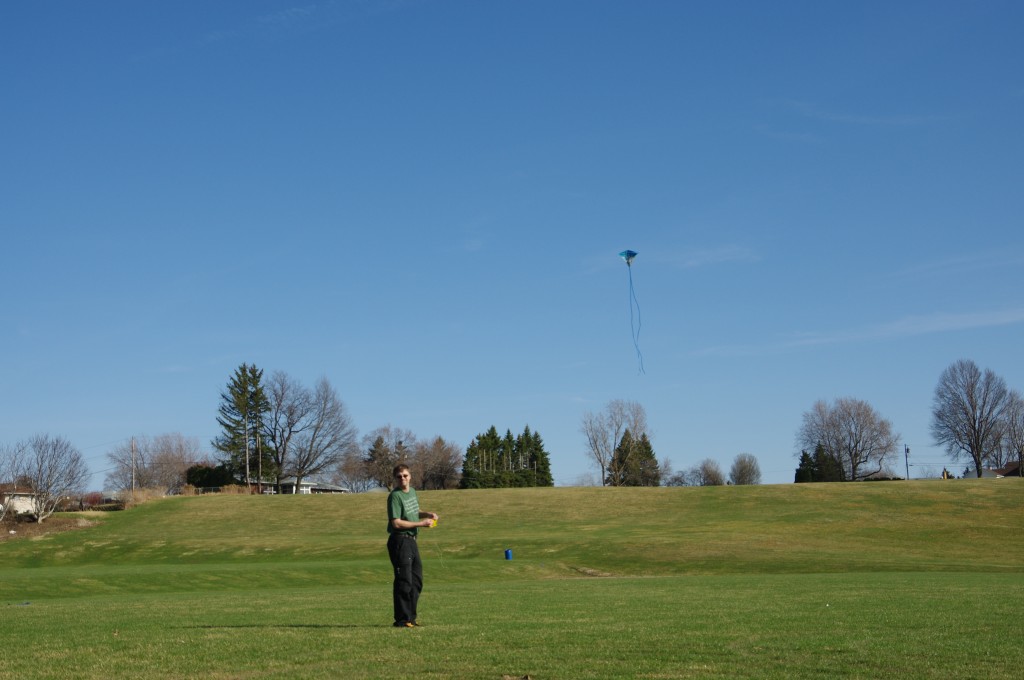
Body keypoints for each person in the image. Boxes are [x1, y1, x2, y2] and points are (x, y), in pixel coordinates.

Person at [387, 463, 438, 628]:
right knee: (404, 581)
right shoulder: (395, 496)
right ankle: (402, 620)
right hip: (400, 540)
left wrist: (427, 514)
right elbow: (396, 522)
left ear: (410, 476)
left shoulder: (413, 492)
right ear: (395, 479)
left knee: (416, 580)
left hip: (412, 541)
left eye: (405, 475)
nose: (402, 479)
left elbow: (413, 511)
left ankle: (411, 618)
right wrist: (421, 524)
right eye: (399, 476)